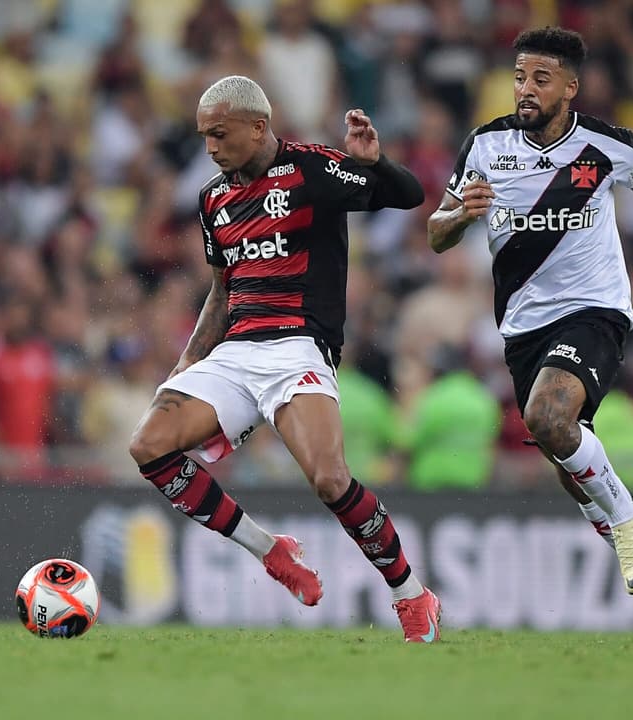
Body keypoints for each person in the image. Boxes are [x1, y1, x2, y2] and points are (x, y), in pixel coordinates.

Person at [127, 76, 441, 642]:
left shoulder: (313, 170)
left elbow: (410, 195)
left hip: (298, 346)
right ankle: (269, 550)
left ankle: (411, 593)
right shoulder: (213, 199)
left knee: (330, 480)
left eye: (219, 134)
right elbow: (221, 292)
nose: (210, 148)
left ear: (258, 127)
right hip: (235, 352)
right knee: (148, 445)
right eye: (204, 137)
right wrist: (186, 364)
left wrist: (375, 162)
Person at [425, 27, 633, 643]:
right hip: (522, 325)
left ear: (571, 88)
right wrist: (461, 214)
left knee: (547, 417)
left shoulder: (607, 147)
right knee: (564, 453)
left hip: (594, 310)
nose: (526, 89)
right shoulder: (486, 145)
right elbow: (436, 232)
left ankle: (632, 523)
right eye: (519, 78)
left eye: (541, 79)